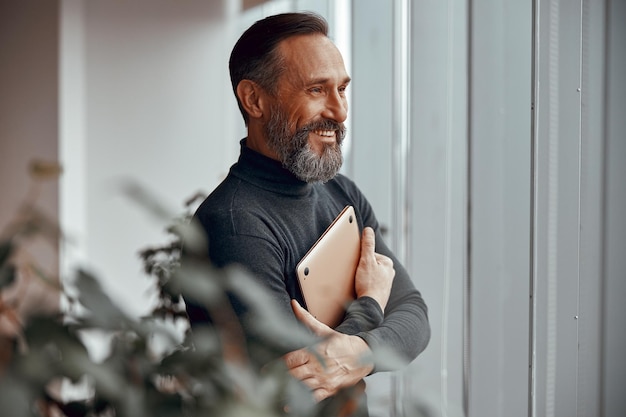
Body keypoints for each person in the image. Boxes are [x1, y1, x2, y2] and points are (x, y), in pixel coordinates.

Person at [187, 11, 430, 415]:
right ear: (254, 100)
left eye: (342, 89)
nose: (339, 111)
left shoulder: (341, 192)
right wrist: (370, 304)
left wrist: (360, 352)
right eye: (317, 90)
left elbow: (414, 316)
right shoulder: (234, 223)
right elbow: (297, 390)